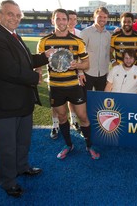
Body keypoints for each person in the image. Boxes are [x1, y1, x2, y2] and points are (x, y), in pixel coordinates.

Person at [0, 0, 55, 198]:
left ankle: (22, 167)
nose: (15, 18)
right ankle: (8, 181)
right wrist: (35, 77)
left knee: (22, 141)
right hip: (3, 104)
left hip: (21, 100)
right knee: (6, 147)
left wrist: (45, 56)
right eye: (10, 14)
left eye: (18, 15)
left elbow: (26, 60)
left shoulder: (11, 34)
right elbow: (8, 70)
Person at [37, 9, 100, 160]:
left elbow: (86, 64)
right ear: (53, 20)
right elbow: (38, 62)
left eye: (64, 19)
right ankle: (68, 145)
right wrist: (38, 74)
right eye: (58, 19)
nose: (61, 22)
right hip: (55, 86)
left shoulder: (77, 41)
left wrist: (76, 66)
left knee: (83, 117)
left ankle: (89, 145)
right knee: (62, 117)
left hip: (74, 85)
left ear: (68, 21)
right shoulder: (44, 42)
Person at [47, 10, 85, 138]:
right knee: (57, 106)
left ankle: (74, 121)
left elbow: (81, 57)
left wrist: (80, 71)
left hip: (72, 78)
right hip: (55, 80)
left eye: (75, 19)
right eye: (71, 19)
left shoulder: (79, 35)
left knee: (72, 102)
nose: (72, 22)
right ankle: (55, 125)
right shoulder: (49, 38)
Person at [80, 7, 111, 92]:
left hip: (102, 74)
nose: (102, 19)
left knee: (100, 101)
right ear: (94, 17)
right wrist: (80, 73)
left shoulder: (108, 35)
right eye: (100, 17)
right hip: (87, 73)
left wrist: (107, 71)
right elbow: (79, 54)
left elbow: (107, 54)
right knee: (85, 101)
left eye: (105, 17)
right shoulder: (85, 32)